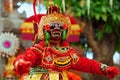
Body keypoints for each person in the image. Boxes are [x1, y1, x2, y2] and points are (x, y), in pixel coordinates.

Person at [13, 5, 119, 80]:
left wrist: (105, 68)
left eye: (60, 26)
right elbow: (27, 57)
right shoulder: (40, 49)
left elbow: (86, 64)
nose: (57, 29)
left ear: (65, 30)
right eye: (52, 26)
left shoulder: (68, 53)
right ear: (44, 30)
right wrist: (21, 63)